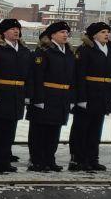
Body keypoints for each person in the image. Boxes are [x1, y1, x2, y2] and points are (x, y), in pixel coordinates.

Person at [0, 17, 31, 174]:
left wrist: (27, 95)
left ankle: (4, 160)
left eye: (18, 29)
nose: (16, 31)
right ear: (4, 33)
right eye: (12, 29)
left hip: (17, 95)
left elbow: (29, 76)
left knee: (10, 131)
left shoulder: (24, 51)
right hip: (1, 95)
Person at [69, 21, 111, 171]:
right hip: (88, 94)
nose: (107, 35)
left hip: (103, 95)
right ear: (94, 35)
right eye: (103, 32)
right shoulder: (85, 50)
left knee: (96, 129)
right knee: (81, 129)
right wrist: (81, 98)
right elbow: (79, 75)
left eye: (107, 32)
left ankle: (92, 158)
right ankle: (78, 159)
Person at [27, 21, 76, 172]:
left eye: (67, 33)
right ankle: (37, 160)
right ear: (52, 35)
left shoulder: (68, 53)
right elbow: (37, 77)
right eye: (62, 32)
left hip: (61, 98)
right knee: (39, 131)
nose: (65, 35)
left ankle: (49, 159)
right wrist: (38, 98)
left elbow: (73, 78)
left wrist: (71, 98)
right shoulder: (44, 52)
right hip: (46, 96)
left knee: (54, 131)